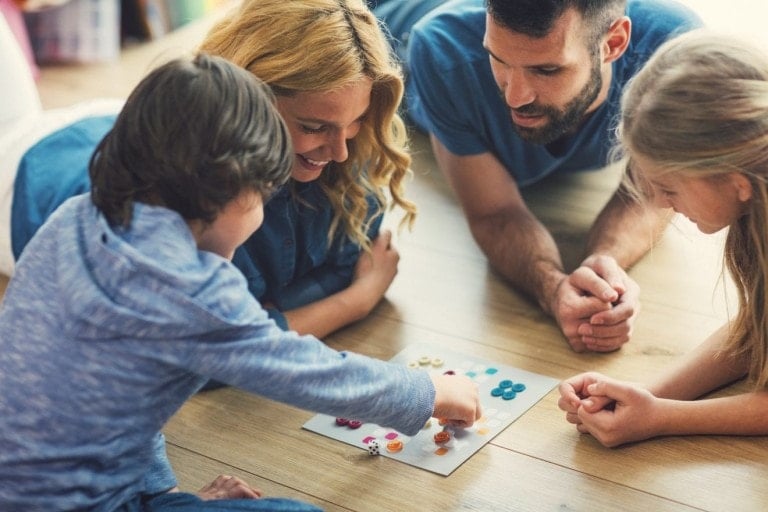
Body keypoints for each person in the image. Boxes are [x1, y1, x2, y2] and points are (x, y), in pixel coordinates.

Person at [0, 52, 481, 511]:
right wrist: (429, 393)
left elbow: (118, 392)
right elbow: (309, 372)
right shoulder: (191, 289)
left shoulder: (75, 219)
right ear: (228, 188)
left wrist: (164, 493)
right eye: (261, 198)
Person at [2, 0, 416, 340]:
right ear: (244, 100)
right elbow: (204, 346)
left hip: (109, 120)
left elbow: (350, 260)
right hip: (24, 174)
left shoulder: (342, 156)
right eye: (313, 127)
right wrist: (357, 300)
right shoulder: (179, 201)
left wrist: (266, 317)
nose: (341, 151)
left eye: (356, 121)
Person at [370, 0, 702, 352]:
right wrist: (553, 289)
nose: (515, 96)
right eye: (496, 58)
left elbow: (654, 192)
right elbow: (494, 212)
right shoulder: (440, 48)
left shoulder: (674, 52)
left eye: (546, 70)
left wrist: (604, 265)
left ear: (614, 43)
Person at [558, 30, 768, 447]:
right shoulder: (754, 198)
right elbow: (756, 330)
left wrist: (662, 417)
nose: (659, 203)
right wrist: (646, 395)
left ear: (734, 182)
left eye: (668, 189)